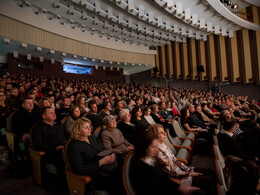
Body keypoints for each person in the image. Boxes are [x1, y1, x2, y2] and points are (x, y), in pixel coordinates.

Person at [149, 124, 217, 194]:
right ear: (155, 136)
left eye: (164, 131)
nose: (165, 134)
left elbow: (176, 160)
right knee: (211, 181)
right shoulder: (157, 151)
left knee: (211, 172)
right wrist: (188, 174)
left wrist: (188, 169)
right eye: (161, 133)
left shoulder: (163, 144)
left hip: (183, 171)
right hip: (180, 178)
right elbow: (171, 172)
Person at [132, 130, 203, 195]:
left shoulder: (150, 158)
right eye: (153, 147)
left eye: (157, 146)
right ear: (144, 147)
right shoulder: (141, 169)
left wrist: (179, 187)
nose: (157, 150)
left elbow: (164, 178)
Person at [66, 117, 116, 193]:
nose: (89, 129)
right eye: (86, 127)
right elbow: (80, 169)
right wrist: (101, 162)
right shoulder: (74, 146)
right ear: (78, 131)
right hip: (93, 176)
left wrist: (112, 155)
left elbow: (104, 150)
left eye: (89, 126)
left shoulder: (93, 138)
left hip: (105, 168)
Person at [31, 107, 70, 177]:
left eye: (54, 112)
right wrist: (55, 148)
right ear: (44, 116)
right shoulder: (38, 127)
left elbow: (68, 136)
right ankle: (66, 181)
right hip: (52, 152)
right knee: (63, 158)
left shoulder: (59, 124)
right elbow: (37, 144)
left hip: (65, 147)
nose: (54, 114)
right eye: (51, 113)